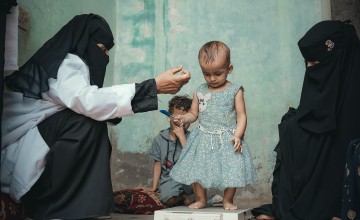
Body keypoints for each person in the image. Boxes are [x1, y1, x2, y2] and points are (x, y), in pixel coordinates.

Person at [1, 13, 190, 219]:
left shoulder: (67, 66)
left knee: (92, 119)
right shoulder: (65, 64)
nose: (105, 56)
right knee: (86, 121)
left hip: (34, 145)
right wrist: (153, 87)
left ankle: (79, 207)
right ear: (85, 43)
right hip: (19, 154)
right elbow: (89, 102)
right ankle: (54, 207)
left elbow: (88, 101)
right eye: (101, 50)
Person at [253, 20, 360, 220]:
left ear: (339, 60)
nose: (311, 70)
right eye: (307, 63)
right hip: (301, 205)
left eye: (317, 63)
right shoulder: (295, 127)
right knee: (291, 128)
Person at [169, 41, 257, 210]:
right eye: (206, 74)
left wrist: (238, 135)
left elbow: (242, 115)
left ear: (229, 69)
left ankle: (228, 200)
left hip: (228, 137)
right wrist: (183, 119)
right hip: (203, 137)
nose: (212, 78)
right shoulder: (200, 90)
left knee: (233, 168)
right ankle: (201, 199)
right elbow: (194, 114)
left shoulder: (235, 90)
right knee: (196, 168)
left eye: (218, 73)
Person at [146, 95, 193, 207]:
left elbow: (192, 160)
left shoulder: (192, 137)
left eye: (185, 118)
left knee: (198, 189)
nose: (181, 122)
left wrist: (182, 137)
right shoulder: (160, 139)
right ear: (169, 117)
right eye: (178, 117)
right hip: (169, 179)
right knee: (168, 199)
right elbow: (157, 163)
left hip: (189, 178)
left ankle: (191, 196)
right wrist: (154, 186)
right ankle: (182, 197)